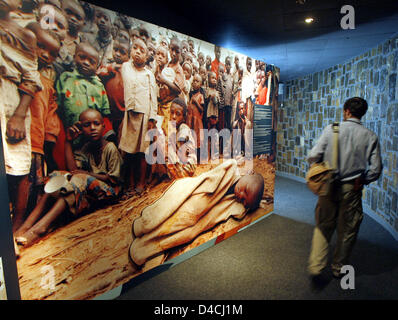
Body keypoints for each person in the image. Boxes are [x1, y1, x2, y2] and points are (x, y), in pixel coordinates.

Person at [14, 109, 123, 247]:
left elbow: (113, 179)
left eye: (96, 124)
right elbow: (72, 170)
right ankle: (26, 226)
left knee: (80, 178)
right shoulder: (86, 148)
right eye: (87, 125)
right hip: (88, 191)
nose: (92, 128)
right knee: (58, 175)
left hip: (110, 192)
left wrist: (86, 175)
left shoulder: (110, 148)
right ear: (80, 128)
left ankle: (40, 228)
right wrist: (68, 141)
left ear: (103, 126)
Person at [128, 158, 264, 268]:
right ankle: (143, 225)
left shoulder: (235, 203)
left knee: (184, 231)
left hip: (197, 217)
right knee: (169, 211)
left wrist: (248, 205)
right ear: (249, 173)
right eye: (245, 190)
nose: (240, 195)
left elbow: (225, 213)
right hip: (196, 195)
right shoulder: (231, 170)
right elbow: (210, 178)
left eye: (244, 200)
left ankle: (144, 249)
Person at [307, 97, 382, 284]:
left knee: (324, 225)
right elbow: (376, 169)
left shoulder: (332, 129)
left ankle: (316, 266)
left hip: (328, 186)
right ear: (362, 113)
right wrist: (364, 179)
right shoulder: (370, 136)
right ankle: (338, 268)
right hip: (353, 188)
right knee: (348, 229)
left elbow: (313, 155)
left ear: (346, 110)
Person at [10, 23, 62, 232]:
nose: (45, 55)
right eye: (40, 46)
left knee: (30, 184)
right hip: (15, 138)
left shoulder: (47, 84)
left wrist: (50, 134)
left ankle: (20, 223)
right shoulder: (15, 72)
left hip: (36, 142)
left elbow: (51, 110)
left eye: (52, 53)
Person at [0, 0, 43, 233]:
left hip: (10, 100)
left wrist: (18, 115)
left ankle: (14, 230)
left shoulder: (24, 34)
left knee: (16, 166)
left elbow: (30, 77)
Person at [54, 41, 113, 169]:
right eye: (82, 57)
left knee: (92, 166)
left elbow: (104, 113)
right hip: (72, 135)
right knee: (70, 166)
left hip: (93, 139)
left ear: (97, 65)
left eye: (91, 61)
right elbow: (57, 108)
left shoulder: (98, 85)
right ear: (75, 56)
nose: (86, 62)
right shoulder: (65, 79)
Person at [119, 38, 158, 195]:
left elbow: (153, 98)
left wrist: (152, 119)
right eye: (135, 48)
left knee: (142, 152)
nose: (137, 52)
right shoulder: (126, 67)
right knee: (128, 151)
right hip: (130, 115)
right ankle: (129, 183)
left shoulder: (149, 75)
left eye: (142, 51)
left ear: (147, 56)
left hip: (144, 115)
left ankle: (140, 183)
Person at [97, 38, 130, 140]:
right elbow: (98, 73)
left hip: (124, 116)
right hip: (109, 113)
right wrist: (112, 68)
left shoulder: (129, 71)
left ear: (129, 56)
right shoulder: (109, 67)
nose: (118, 54)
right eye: (115, 50)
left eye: (122, 52)